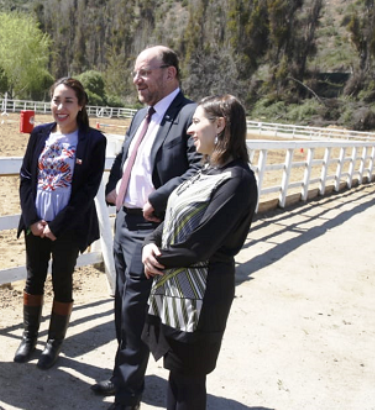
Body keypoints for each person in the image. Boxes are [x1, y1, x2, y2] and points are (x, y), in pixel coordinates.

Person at [93, 46, 203, 410]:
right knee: (122, 305)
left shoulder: (190, 114)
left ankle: (128, 398)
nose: (137, 80)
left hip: (152, 227)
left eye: (144, 72)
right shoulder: (141, 114)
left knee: (136, 311)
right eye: (135, 73)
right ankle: (122, 375)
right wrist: (114, 189)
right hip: (125, 220)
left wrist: (159, 196)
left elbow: (198, 169)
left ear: (169, 73)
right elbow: (127, 156)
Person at [141, 94, 257, 410]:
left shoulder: (237, 180)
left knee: (189, 381)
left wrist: (156, 257)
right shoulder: (206, 171)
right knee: (177, 375)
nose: (190, 130)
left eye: (196, 122)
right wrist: (150, 242)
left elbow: (199, 244)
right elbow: (173, 217)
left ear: (219, 125)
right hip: (176, 290)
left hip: (203, 296)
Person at [14, 77, 107, 370]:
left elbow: (88, 189)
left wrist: (58, 225)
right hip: (36, 222)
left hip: (68, 225)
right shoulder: (40, 134)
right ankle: (29, 338)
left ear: (80, 105)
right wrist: (33, 220)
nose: (61, 107)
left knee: (62, 280)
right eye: (56, 100)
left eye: (68, 101)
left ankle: (53, 343)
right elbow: (27, 178)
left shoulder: (93, 141)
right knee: (34, 278)